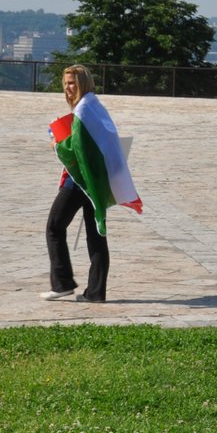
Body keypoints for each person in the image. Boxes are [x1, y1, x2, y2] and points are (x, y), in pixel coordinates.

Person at [44, 65, 141, 302]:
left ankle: (63, 283)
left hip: (81, 180)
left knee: (54, 226)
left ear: (83, 83)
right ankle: (95, 292)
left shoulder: (84, 111)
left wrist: (57, 143)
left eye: (72, 83)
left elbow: (78, 147)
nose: (68, 88)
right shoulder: (95, 106)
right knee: (95, 235)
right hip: (97, 179)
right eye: (66, 83)